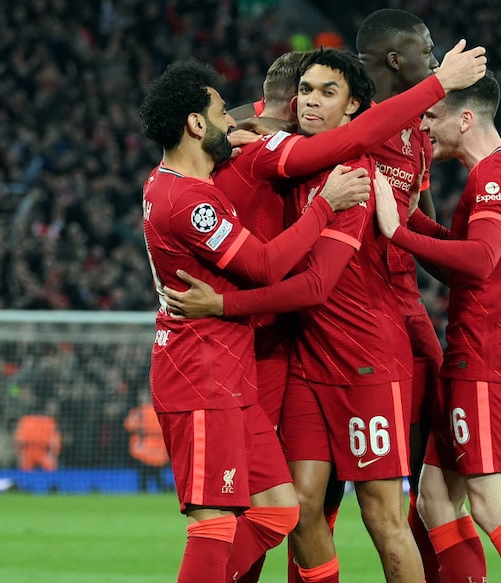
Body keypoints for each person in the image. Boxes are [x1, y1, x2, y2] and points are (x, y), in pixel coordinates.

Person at [210, 41, 486, 583]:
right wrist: (234, 132)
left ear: (354, 107)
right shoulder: (290, 154)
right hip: (307, 361)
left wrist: (222, 304)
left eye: (328, 92)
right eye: (306, 91)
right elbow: (257, 111)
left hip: (364, 361)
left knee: (382, 515)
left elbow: (315, 285)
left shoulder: (355, 176)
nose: (311, 101)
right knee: (301, 505)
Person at [139, 59, 367, 583]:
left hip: (231, 377)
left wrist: (248, 141)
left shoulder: (179, 183)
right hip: (198, 375)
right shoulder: (186, 200)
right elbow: (264, 267)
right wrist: (324, 207)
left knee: (277, 509)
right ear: (197, 125)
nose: (237, 121)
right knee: (213, 524)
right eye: (224, 112)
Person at [375, 71, 501, 583]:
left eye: (434, 116)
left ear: (466, 118)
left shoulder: (492, 177)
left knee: (493, 504)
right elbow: (463, 261)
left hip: (488, 358)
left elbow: (478, 260)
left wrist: (395, 232)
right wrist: (413, 222)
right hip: (478, 355)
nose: (426, 124)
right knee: (434, 498)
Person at [357, 9, 449, 579]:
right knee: (330, 495)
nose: (435, 56)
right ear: (397, 59)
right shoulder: (347, 119)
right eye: (428, 48)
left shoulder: (418, 132)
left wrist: (479, 266)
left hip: (406, 309)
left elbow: (425, 227)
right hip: (357, 319)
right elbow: (268, 111)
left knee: (445, 444)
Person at [125, 391, 169, 493]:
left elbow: (129, 425)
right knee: (156, 474)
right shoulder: (161, 410)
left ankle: (145, 491)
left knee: (145, 474)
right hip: (158, 448)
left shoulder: (140, 412)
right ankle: (161, 490)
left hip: (144, 449)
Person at [14, 404, 61, 472]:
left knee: (25, 472)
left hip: (30, 452)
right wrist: (53, 454)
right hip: (42, 452)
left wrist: (20, 454)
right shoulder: (50, 421)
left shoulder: (25, 421)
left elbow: (19, 440)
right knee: (50, 468)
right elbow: (55, 441)